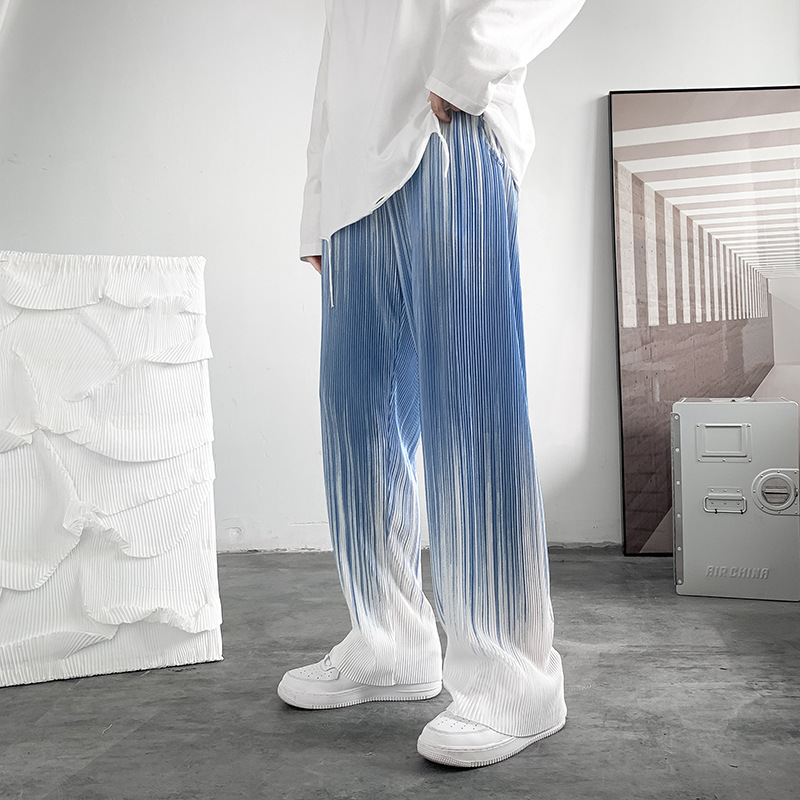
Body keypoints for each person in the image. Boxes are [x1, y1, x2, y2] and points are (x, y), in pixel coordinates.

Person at [278, 0, 586, 768]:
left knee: (469, 406)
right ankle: (389, 642)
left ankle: (514, 680)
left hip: (448, 130)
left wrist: (470, 62)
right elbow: (340, 46)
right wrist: (317, 201)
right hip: (354, 181)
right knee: (355, 414)